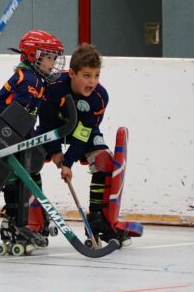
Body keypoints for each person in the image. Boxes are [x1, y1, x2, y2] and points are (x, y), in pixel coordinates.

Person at [0, 29, 65, 254]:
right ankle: (14, 225)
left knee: (26, 172)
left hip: (3, 138)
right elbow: (17, 118)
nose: (53, 63)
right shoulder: (29, 80)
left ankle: (21, 221)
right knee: (15, 177)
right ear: (34, 55)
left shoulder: (36, 78)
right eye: (49, 57)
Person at [37, 43, 129, 244]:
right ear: (72, 73)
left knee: (104, 161)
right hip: (52, 132)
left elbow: (83, 135)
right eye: (87, 75)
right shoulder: (52, 87)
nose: (92, 81)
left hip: (82, 133)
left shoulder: (100, 97)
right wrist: (55, 152)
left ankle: (98, 220)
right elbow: (45, 123)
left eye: (96, 75)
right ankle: (34, 219)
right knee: (29, 158)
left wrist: (68, 162)